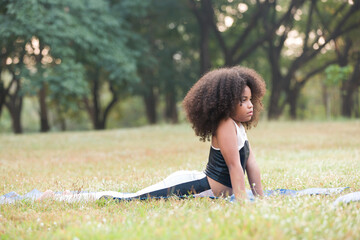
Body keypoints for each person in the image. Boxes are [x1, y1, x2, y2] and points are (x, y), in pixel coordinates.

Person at [39, 66, 266, 202]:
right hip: (196, 187)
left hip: (202, 185)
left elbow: (251, 164)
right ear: (226, 102)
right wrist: (243, 203)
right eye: (242, 100)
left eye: (250, 99)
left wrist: (260, 197)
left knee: (131, 197)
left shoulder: (238, 126)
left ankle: (68, 195)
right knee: (129, 199)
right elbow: (235, 167)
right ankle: (62, 197)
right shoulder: (225, 123)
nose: (249, 105)